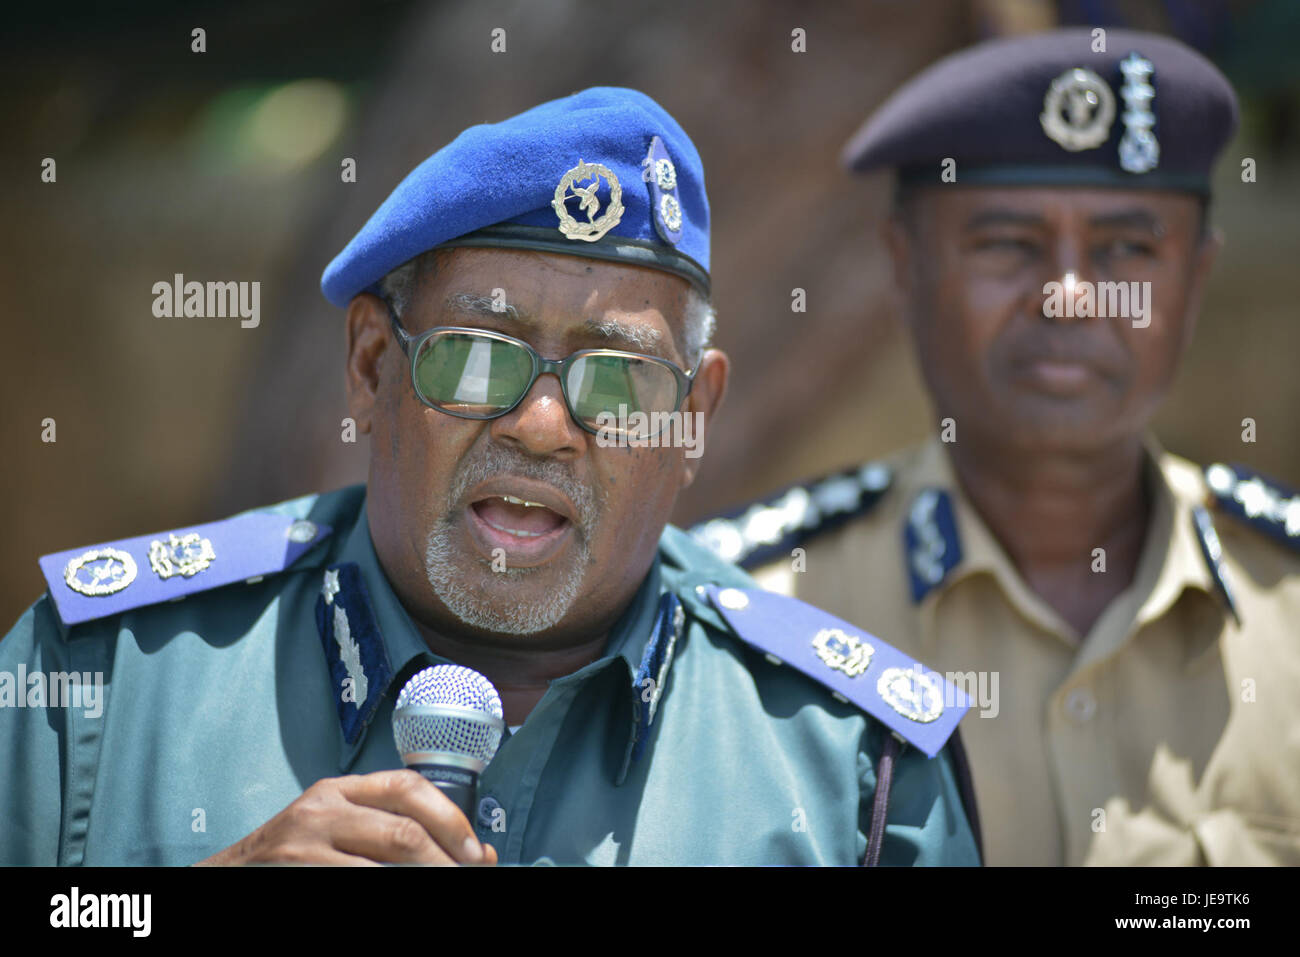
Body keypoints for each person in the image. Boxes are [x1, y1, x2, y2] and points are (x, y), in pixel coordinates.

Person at [0, 87, 978, 866]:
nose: (544, 424)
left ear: (691, 421)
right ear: (372, 369)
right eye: (477, 355)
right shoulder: (102, 673)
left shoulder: (854, 762)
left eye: (618, 375)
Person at [692, 29, 1300, 866]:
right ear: (905, 269)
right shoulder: (748, 625)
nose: (1068, 295)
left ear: (1196, 278)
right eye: (1006, 245)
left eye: (1127, 249)